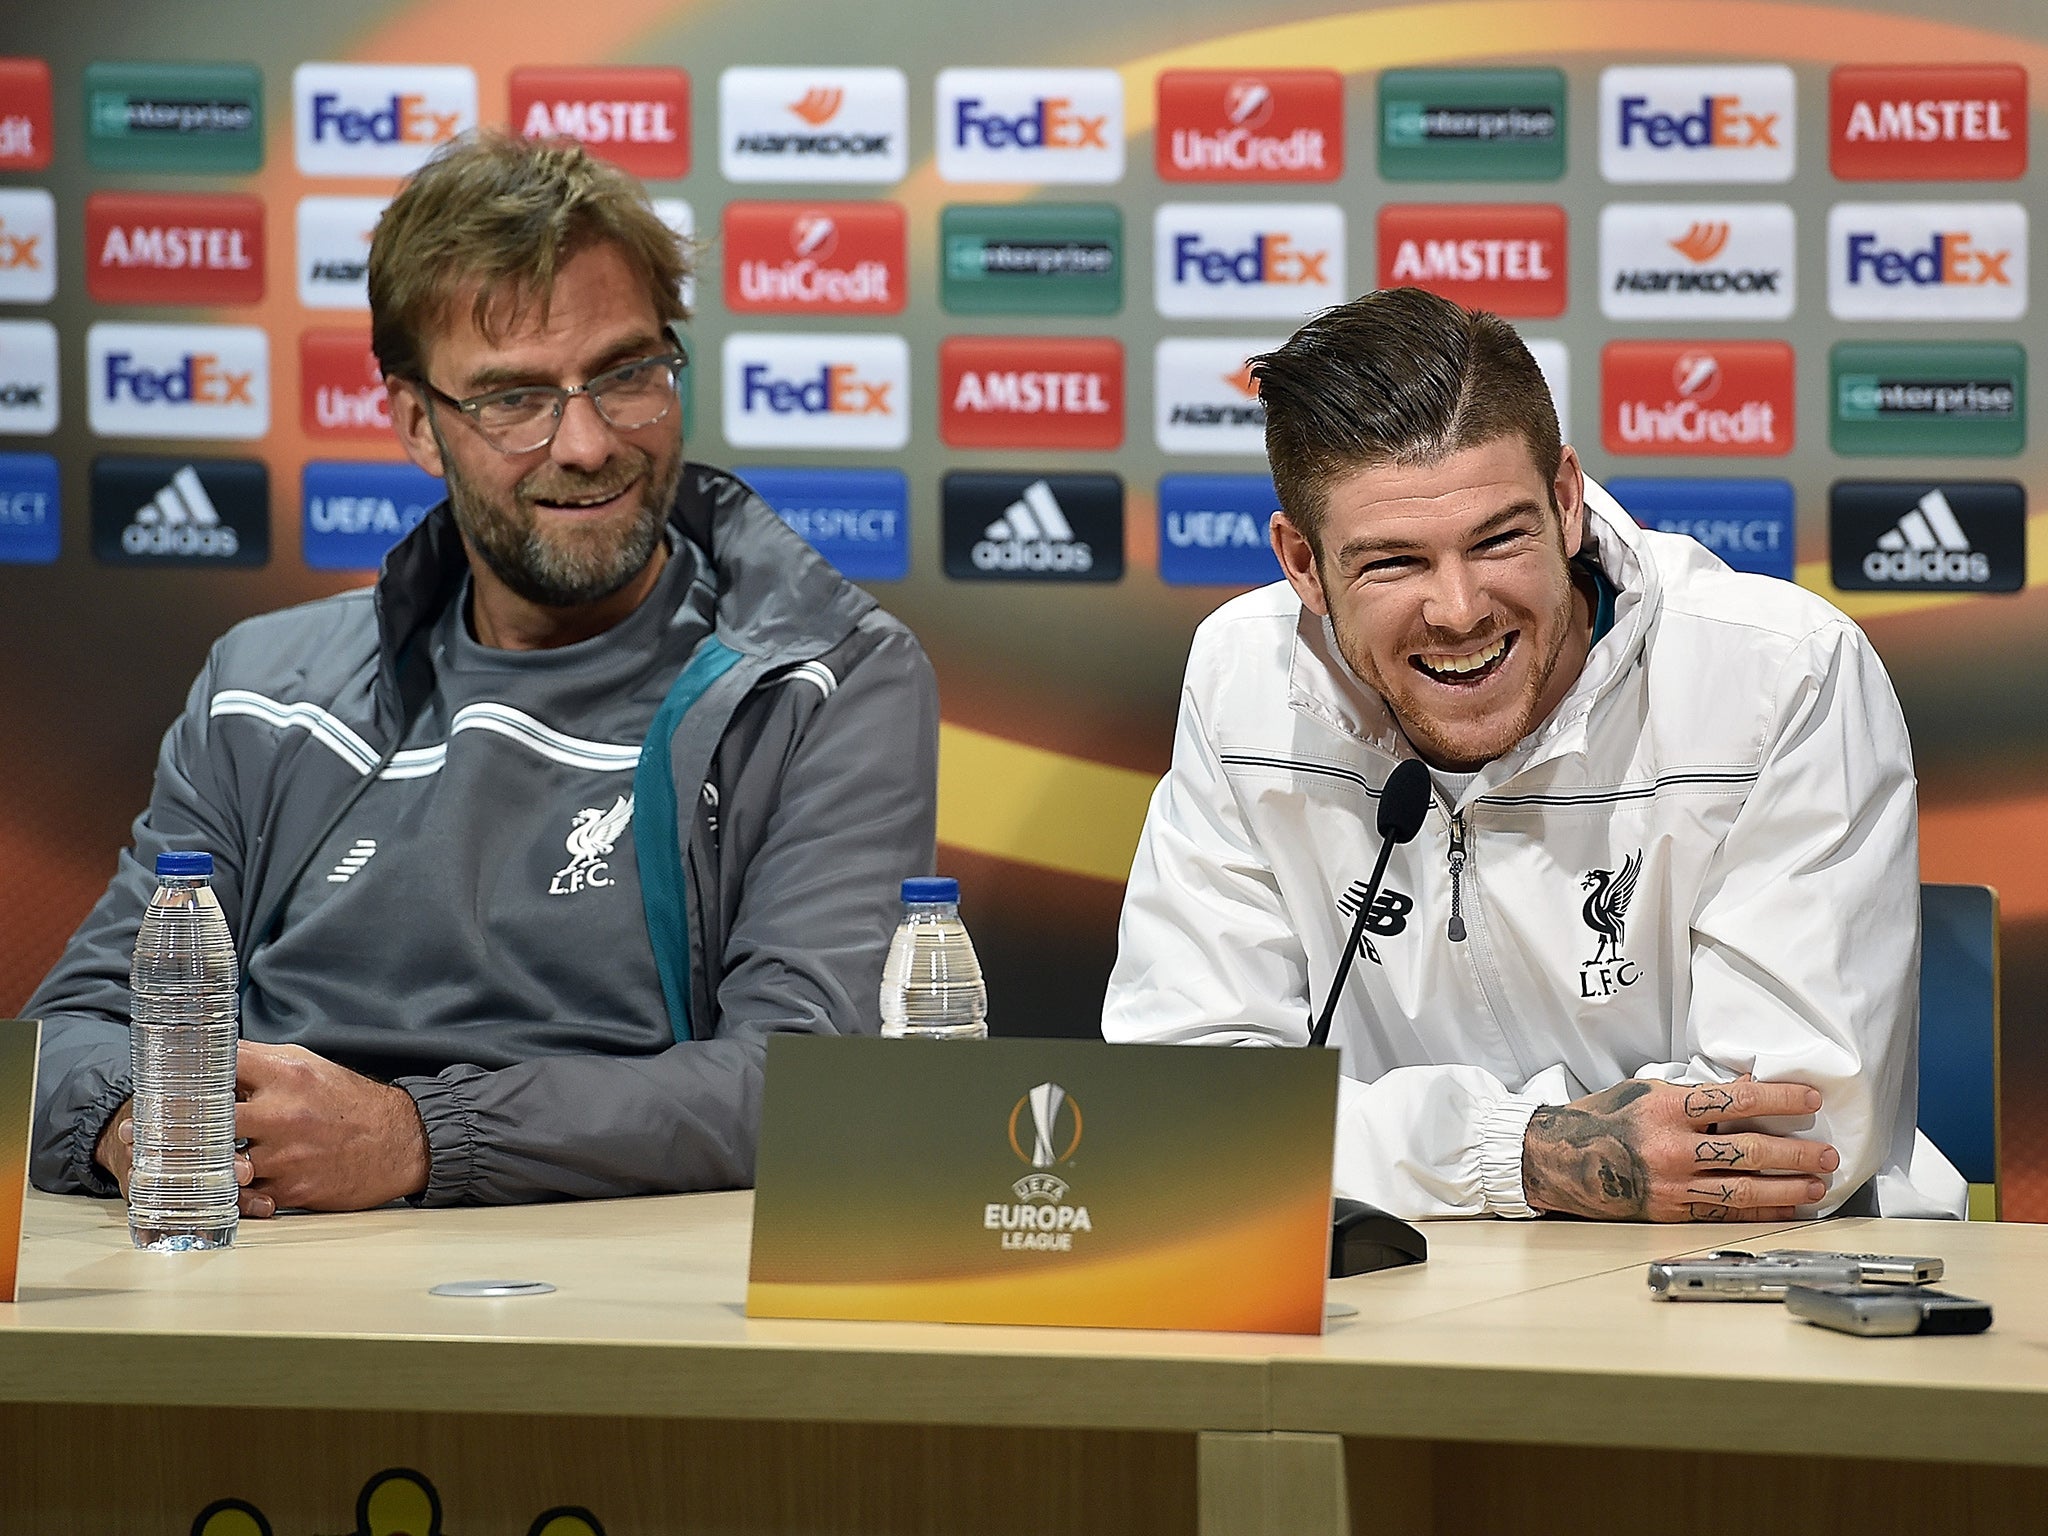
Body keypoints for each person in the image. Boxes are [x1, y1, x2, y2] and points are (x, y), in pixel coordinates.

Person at [30, 132, 939, 1212]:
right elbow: (70, 1031)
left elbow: (802, 1078)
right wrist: (141, 1120)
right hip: (255, 1241)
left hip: (609, 1265)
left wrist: (415, 1137)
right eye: (515, 398)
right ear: (418, 423)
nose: (588, 444)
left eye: (627, 374)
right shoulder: (264, 688)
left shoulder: (819, 681)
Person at [1102, 287, 1964, 1222]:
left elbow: (1786, 1143)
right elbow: (1181, 1101)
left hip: (1756, 1278)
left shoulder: (1779, 673)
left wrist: (1374, 1148)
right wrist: (1522, 1154)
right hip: (1406, 1277)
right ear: (1303, 564)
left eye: (1499, 539)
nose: (1460, 609)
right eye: (1393, 562)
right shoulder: (1245, 682)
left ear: (1565, 502)